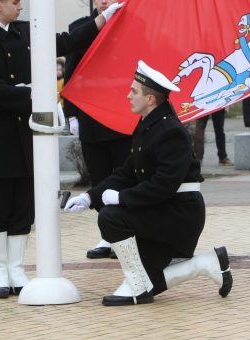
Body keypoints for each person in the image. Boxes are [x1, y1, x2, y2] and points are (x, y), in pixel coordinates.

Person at [0, 0, 123, 299]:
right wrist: (34, 94)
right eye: (15, 2)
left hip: (26, 131)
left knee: (23, 203)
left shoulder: (25, 30)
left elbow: (65, 40)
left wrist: (102, 20)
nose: (21, 7)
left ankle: (17, 269)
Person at [65, 60, 233, 306]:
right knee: (152, 280)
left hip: (178, 214)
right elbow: (127, 173)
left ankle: (135, 283)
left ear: (151, 99)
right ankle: (209, 264)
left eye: (134, 91)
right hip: (164, 210)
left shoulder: (170, 131)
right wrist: (91, 196)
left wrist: (122, 199)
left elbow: (164, 184)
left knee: (111, 216)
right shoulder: (150, 125)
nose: (128, 95)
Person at [64, 0, 132, 259]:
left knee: (124, 177)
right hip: (90, 116)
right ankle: (108, 235)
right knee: (100, 177)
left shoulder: (131, 27)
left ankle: (127, 233)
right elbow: (71, 73)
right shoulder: (80, 29)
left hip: (122, 115)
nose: (104, 1)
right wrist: (71, 115)